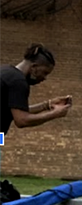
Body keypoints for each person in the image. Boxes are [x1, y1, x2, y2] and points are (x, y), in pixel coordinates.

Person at [1, 44, 71, 173]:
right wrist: (55, 114)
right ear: (34, 68)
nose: (44, 78)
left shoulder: (6, 72)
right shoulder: (18, 81)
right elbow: (21, 120)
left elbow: (17, 111)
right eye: (44, 73)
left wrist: (47, 105)